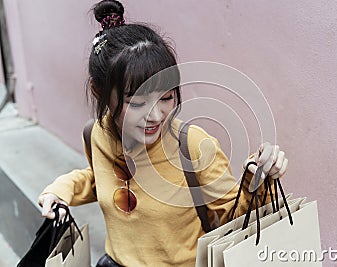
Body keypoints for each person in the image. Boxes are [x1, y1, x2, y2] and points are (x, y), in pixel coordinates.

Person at [38, 1, 289, 266]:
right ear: (100, 92)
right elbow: (98, 177)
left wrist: (258, 179)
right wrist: (61, 191)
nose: (156, 116)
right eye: (137, 102)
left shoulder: (193, 146)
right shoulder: (96, 134)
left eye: (167, 97)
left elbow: (232, 220)